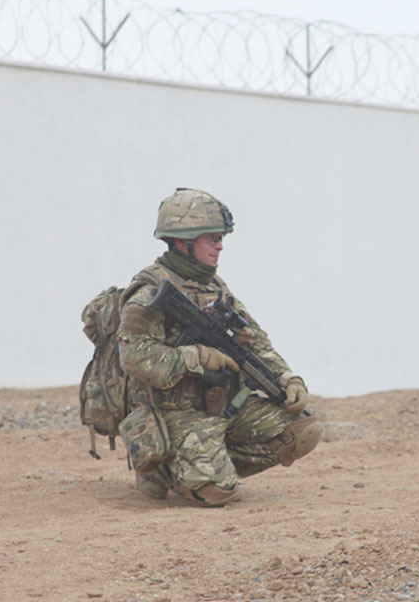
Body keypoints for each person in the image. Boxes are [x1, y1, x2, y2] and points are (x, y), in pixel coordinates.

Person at [117, 188, 323, 506]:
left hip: (221, 405)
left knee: (301, 431)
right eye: (211, 238)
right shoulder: (149, 292)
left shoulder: (214, 287)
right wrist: (195, 357)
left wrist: (286, 379)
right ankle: (162, 468)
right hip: (175, 411)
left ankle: (206, 459)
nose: (220, 245)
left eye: (220, 237)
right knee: (219, 492)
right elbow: (132, 357)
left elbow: (254, 340)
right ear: (183, 240)